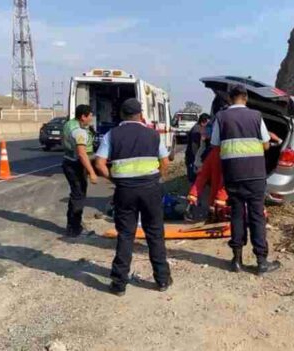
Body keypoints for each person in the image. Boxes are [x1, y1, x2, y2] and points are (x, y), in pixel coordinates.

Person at [94, 98, 172, 296]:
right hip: (150, 189)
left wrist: (116, 180)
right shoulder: (153, 135)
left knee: (126, 235)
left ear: (122, 115)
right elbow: (165, 162)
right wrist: (157, 180)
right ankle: (162, 279)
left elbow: (99, 164)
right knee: (155, 234)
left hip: (125, 191)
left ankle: (119, 283)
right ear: (141, 115)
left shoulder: (112, 135)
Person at [211, 85, 281, 275]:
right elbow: (266, 145)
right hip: (255, 175)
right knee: (257, 215)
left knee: (237, 214)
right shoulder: (256, 116)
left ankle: (236, 260)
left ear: (230, 99)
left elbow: (215, 145)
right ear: (246, 98)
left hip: (233, 174)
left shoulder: (220, 117)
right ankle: (261, 262)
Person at [62, 104, 98, 237]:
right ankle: (74, 228)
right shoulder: (79, 132)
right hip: (76, 165)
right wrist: (92, 172)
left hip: (68, 161)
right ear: (83, 116)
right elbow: (82, 154)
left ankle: (72, 225)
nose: (91, 118)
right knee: (78, 196)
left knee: (75, 195)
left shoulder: (69, 124)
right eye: (90, 116)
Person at [185, 114, 209, 183]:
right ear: (203, 122)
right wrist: (198, 161)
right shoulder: (197, 130)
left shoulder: (197, 128)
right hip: (192, 158)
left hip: (191, 158)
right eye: (207, 123)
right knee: (193, 179)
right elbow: (194, 147)